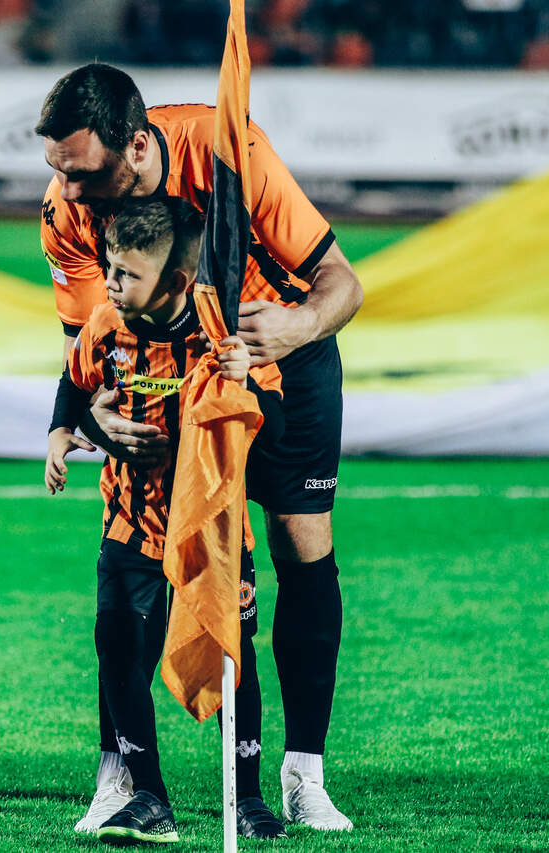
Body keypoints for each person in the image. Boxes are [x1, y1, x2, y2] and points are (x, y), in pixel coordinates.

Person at [37, 63, 363, 833]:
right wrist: (95, 417)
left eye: (84, 174)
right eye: (57, 170)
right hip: (160, 368)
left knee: (300, 542)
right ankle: (122, 778)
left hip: (274, 351)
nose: (68, 192)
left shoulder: (229, 152)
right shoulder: (65, 213)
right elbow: (88, 348)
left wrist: (295, 327)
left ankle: (302, 776)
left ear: (137, 147)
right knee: (130, 568)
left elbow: (341, 282)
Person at [47, 197, 287, 843]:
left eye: (127, 274)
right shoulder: (106, 324)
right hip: (128, 526)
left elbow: (278, 430)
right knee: (118, 650)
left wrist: (247, 383)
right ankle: (149, 796)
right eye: (109, 268)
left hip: (213, 534)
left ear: (177, 282)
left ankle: (248, 798)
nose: (111, 284)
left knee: (234, 660)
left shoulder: (223, 335)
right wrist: (63, 432)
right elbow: (75, 380)